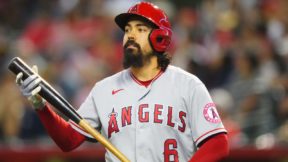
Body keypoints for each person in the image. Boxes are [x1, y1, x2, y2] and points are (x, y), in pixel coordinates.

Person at [15, 2, 229, 162]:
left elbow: (218, 142)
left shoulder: (188, 85)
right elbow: (68, 141)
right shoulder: (104, 89)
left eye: (140, 29)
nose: (130, 35)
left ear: (160, 38)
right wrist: (40, 106)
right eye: (127, 30)